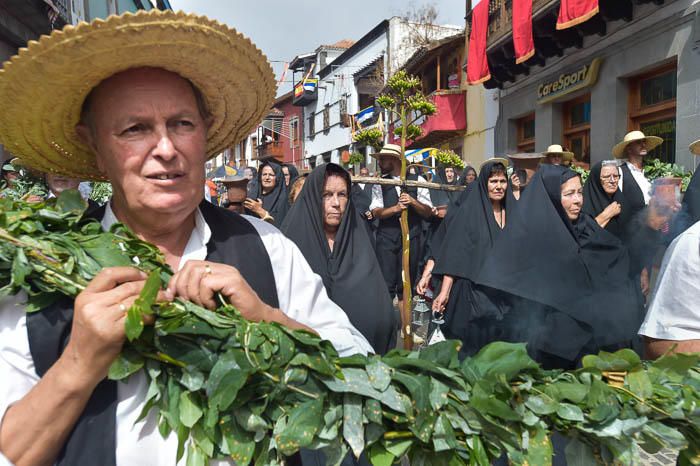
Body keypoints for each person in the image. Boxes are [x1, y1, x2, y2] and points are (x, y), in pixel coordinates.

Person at [0, 11, 371, 466]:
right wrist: (79, 363)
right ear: (93, 145)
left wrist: (269, 322)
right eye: (135, 129)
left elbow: (364, 384)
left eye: (182, 124)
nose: (166, 148)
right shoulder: (42, 271)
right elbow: (12, 451)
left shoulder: (268, 250)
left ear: (206, 130)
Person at [474, 165, 669, 369]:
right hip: (545, 350)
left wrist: (651, 228)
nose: (577, 200)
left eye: (579, 192)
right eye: (569, 194)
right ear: (550, 198)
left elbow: (619, 260)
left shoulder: (585, 225)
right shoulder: (531, 235)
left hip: (588, 347)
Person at [282, 163, 396, 354]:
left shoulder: (358, 237)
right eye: (327, 195)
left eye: (342, 195)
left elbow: (377, 298)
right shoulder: (290, 242)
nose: (336, 203)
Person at [430, 160, 510, 352]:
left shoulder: (512, 212)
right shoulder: (471, 212)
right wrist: (445, 292)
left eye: (502, 181)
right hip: (472, 291)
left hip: (501, 292)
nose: (499, 186)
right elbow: (455, 252)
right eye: (493, 181)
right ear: (484, 183)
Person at [370, 144, 434, 307]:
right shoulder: (380, 182)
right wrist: (395, 209)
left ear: (395, 160)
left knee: (406, 287)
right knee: (385, 286)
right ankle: (387, 329)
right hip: (387, 240)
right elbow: (376, 211)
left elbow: (428, 212)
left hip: (412, 239)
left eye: (383, 158)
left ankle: (406, 328)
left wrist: (413, 202)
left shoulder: (418, 181)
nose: (380, 162)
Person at [583, 160, 629, 237]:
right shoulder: (583, 205)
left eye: (616, 176)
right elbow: (584, 235)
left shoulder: (623, 202)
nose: (612, 181)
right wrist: (606, 215)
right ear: (596, 179)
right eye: (606, 177)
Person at [246, 160, 289, 225]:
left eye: (271, 175)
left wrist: (259, 210)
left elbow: (281, 224)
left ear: (277, 178)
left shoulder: (283, 199)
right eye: (264, 174)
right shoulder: (254, 195)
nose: (267, 178)